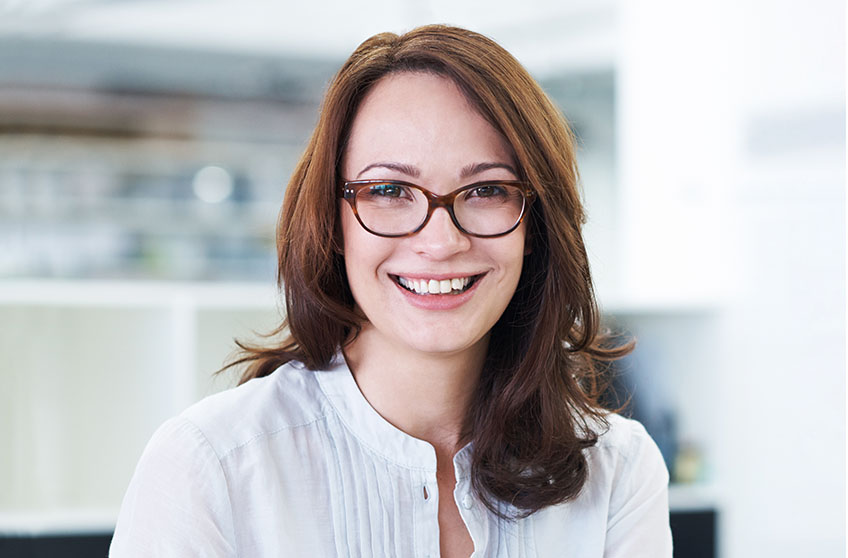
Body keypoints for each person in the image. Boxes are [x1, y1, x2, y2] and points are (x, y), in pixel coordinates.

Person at [110, 24, 672, 557]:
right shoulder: (213, 466)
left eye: (486, 190)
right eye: (388, 189)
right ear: (333, 221)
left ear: (536, 226)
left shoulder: (618, 470)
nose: (441, 240)